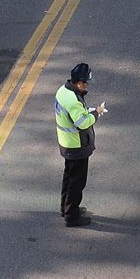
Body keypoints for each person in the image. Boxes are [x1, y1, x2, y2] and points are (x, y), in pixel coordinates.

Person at [54, 62, 107, 227]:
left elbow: (76, 113)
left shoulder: (63, 91)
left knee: (69, 178)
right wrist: (96, 113)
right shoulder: (73, 100)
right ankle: (72, 216)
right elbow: (82, 123)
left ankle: (66, 208)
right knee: (77, 182)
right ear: (79, 83)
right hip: (76, 146)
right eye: (86, 83)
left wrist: (89, 110)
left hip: (66, 143)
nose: (87, 86)